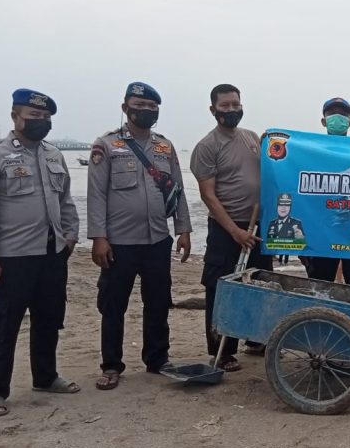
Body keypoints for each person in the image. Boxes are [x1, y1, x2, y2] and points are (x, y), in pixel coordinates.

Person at [0, 89, 80, 417]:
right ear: (15, 116)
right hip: (12, 256)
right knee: (3, 325)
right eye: (34, 116)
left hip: (51, 252)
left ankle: (45, 377)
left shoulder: (53, 155)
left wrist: (70, 235)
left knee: (49, 319)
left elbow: (66, 201)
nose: (40, 122)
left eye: (46, 118)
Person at [88, 81, 192, 390]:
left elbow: (177, 190)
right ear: (125, 108)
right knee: (113, 304)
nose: (145, 111)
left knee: (158, 302)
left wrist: (183, 229)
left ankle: (157, 359)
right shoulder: (106, 145)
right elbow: (96, 194)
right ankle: (111, 365)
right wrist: (98, 237)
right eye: (139, 105)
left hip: (158, 239)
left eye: (151, 107)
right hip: (118, 241)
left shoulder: (165, 146)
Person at [191, 84, 273, 372]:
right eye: (225, 106)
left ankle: (256, 340)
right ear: (213, 109)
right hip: (227, 228)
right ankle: (222, 352)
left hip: (257, 226)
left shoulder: (251, 138)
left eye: (235, 104)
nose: (231, 110)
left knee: (260, 284)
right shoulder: (207, 146)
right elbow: (208, 195)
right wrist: (235, 232)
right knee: (221, 288)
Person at [304, 97, 350, 287]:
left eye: (342, 114)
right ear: (323, 121)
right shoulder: (311, 149)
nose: (337, 117)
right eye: (332, 113)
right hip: (322, 229)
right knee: (320, 283)